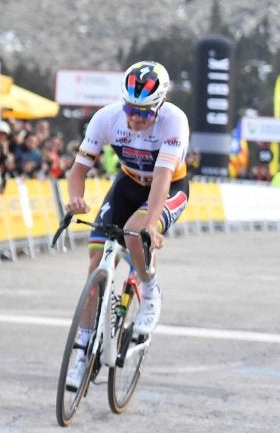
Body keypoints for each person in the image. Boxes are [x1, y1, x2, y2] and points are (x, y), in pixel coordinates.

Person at [63, 60, 190, 390]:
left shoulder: (174, 121)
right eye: (131, 108)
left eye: (145, 112)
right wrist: (75, 199)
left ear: (159, 106)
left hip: (168, 187)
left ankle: (150, 292)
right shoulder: (107, 119)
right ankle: (82, 350)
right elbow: (77, 172)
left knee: (135, 234)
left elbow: (162, 180)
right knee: (95, 261)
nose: (135, 118)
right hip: (129, 184)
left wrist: (152, 225)